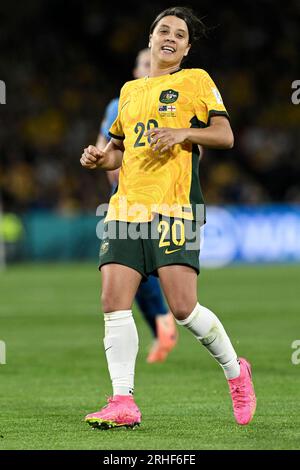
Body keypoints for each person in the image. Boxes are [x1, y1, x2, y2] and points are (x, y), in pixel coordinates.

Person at [81, 6, 256, 429]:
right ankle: (123, 401)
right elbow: (120, 149)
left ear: (187, 47)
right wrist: (101, 158)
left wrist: (183, 133)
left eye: (180, 34)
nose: (171, 37)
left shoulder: (196, 81)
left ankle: (236, 373)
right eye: (164, 30)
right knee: (113, 301)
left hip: (175, 207)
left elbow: (225, 135)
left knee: (183, 308)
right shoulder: (129, 91)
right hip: (127, 207)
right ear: (151, 37)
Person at [96, 48, 177, 364]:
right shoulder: (121, 103)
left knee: (154, 270)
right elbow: (109, 147)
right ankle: (162, 322)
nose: (148, 68)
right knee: (130, 271)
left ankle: (166, 320)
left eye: (151, 63)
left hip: (165, 198)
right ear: (134, 70)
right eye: (143, 64)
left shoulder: (173, 102)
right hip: (127, 198)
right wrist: (112, 176)